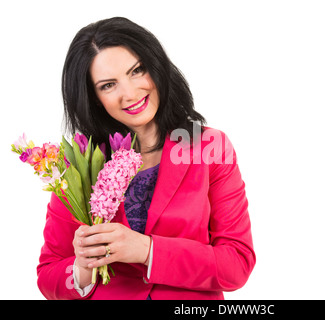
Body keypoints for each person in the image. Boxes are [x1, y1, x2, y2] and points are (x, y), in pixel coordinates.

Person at [36, 17, 255, 300]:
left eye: (137, 71)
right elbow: (48, 275)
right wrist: (82, 267)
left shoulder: (210, 147)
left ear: (157, 66)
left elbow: (236, 265)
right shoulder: (80, 163)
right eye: (108, 85)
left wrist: (146, 250)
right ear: (93, 97)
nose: (129, 93)